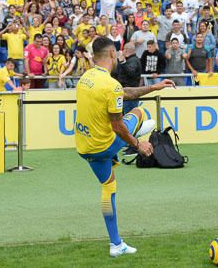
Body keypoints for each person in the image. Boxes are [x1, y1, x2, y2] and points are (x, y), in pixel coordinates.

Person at [74, 37, 175, 257]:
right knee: (141, 113)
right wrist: (138, 144)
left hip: (84, 147)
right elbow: (117, 125)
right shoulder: (111, 86)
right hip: (105, 145)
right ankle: (139, 133)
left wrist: (154, 87)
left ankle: (116, 244)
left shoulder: (86, 77)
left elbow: (123, 92)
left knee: (108, 188)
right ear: (112, 54)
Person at [113, 42, 142, 113]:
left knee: (127, 118)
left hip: (130, 96)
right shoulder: (130, 61)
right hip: (126, 95)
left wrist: (122, 62)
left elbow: (130, 72)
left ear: (125, 50)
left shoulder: (134, 61)